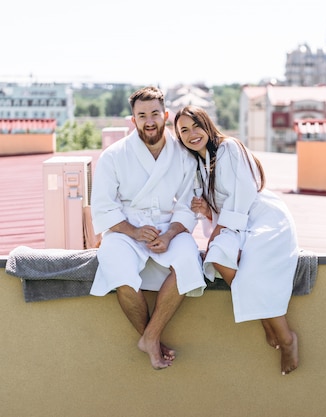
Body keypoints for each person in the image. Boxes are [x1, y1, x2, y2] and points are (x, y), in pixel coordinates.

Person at [174, 105, 300, 375]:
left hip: (262, 218)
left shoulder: (229, 148)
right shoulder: (198, 165)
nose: (191, 133)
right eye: (183, 130)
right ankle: (267, 318)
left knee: (250, 266)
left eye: (196, 125)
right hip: (234, 225)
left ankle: (286, 337)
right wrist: (208, 212)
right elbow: (221, 207)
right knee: (217, 256)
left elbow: (243, 193)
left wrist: (219, 229)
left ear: (207, 125)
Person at [90, 86, 206, 370]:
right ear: (133, 120)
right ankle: (151, 338)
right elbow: (103, 207)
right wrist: (133, 231)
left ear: (165, 114)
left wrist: (168, 234)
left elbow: (187, 205)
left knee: (188, 260)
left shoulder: (183, 155)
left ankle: (150, 336)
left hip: (169, 226)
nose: (150, 120)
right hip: (125, 230)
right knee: (119, 271)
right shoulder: (113, 156)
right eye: (142, 115)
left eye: (155, 113)